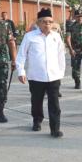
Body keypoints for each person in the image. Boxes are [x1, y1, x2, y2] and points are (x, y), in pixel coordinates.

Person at [16, 8, 66, 138]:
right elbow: (21, 55)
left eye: (50, 22)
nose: (47, 24)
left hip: (54, 76)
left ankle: (55, 128)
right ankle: (37, 120)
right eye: (44, 22)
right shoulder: (30, 36)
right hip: (36, 76)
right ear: (38, 23)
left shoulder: (56, 36)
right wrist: (21, 71)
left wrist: (61, 72)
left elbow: (61, 55)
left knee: (54, 103)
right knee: (36, 101)